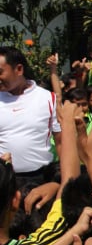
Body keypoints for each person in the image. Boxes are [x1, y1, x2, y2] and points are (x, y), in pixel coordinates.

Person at [0, 47, 61, 180]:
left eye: (0, 72)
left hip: (41, 179)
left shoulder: (48, 98)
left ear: (19, 69)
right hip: (4, 180)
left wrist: (62, 179)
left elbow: (60, 141)